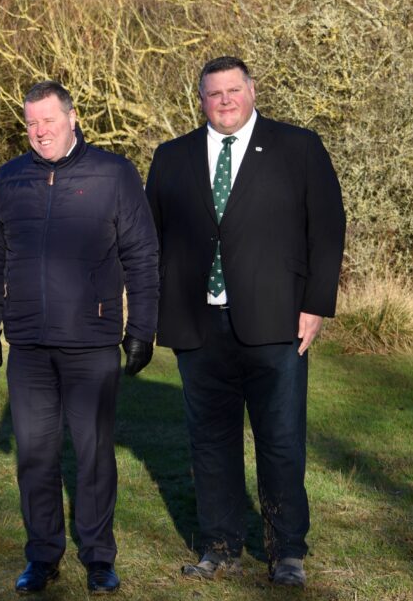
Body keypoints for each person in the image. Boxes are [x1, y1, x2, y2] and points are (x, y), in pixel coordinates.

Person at [145, 57, 346, 587]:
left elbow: (327, 228)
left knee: (280, 441)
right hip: (197, 324)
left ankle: (287, 552)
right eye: (215, 94)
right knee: (210, 442)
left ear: (252, 91)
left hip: (277, 323)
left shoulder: (298, 148)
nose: (225, 101)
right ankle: (219, 545)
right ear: (201, 99)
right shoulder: (171, 158)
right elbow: (152, 241)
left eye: (234, 90)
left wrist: (316, 305)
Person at [0, 81, 160, 594]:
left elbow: (142, 255)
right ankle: (43, 555)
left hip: (92, 341)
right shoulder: (9, 180)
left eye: (49, 121)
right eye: (31, 123)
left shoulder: (114, 174)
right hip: (28, 344)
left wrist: (141, 327)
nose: (40, 132)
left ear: (72, 118)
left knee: (94, 452)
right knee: (35, 454)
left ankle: (99, 556)